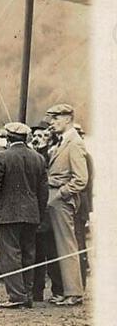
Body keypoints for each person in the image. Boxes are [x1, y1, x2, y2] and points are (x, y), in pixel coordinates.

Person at [0, 122, 48, 308]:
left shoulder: (1, 157)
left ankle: (16, 296)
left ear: (7, 138)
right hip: (31, 214)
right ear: (25, 138)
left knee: (10, 255)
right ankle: (27, 294)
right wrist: (38, 211)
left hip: (8, 213)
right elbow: (43, 191)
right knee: (28, 254)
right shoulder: (38, 158)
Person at [45, 104, 88, 306]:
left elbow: (81, 179)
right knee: (59, 246)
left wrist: (61, 194)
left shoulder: (74, 143)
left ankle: (74, 292)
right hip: (55, 200)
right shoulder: (64, 141)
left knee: (67, 245)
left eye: (55, 118)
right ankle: (66, 290)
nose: (51, 123)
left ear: (68, 118)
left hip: (62, 200)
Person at [29, 120, 63, 302]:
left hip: (49, 209)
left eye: (42, 136)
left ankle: (58, 289)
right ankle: (37, 291)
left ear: (50, 139)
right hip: (35, 210)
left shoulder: (52, 157)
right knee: (36, 252)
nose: (37, 139)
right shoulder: (32, 156)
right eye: (35, 136)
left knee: (52, 251)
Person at [72, 123, 93, 289]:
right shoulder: (83, 154)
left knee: (78, 243)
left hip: (79, 205)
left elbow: (84, 184)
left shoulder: (83, 155)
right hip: (80, 204)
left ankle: (80, 283)